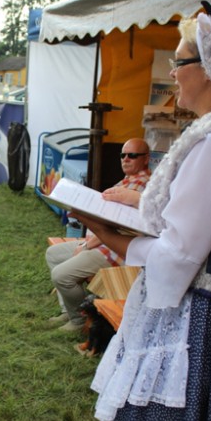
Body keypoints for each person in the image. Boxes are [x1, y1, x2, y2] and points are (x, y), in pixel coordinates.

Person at [71, 6, 211, 421]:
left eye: (180, 61)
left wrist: (112, 234)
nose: (173, 72)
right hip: (207, 311)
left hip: (198, 317)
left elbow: (182, 253)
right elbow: (188, 219)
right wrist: (134, 206)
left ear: (209, 70)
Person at [45, 138, 151, 332]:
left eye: (132, 155)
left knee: (61, 275)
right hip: (101, 243)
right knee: (53, 254)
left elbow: (114, 227)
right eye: (123, 155)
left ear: (146, 159)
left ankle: (78, 320)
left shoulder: (141, 187)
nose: (126, 159)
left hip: (114, 250)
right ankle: (69, 310)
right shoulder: (128, 182)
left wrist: (85, 245)